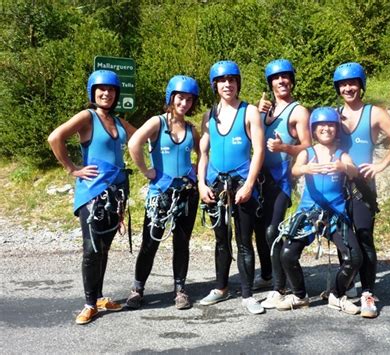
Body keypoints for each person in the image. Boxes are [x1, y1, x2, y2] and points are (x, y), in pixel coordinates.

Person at [48, 70, 136, 325]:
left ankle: (98, 298)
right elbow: (55, 138)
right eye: (101, 89)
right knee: (91, 249)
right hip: (93, 194)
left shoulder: (118, 121)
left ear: (117, 94)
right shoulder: (87, 117)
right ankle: (89, 304)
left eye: (111, 90)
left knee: (104, 247)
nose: (106, 93)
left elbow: (143, 135)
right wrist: (72, 169)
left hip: (116, 193)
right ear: (93, 92)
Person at [333, 62, 390, 318]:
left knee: (364, 237)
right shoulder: (334, 114)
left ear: (361, 85)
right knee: (343, 238)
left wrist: (381, 165)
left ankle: (367, 293)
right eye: (343, 84)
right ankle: (349, 282)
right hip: (337, 187)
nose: (348, 88)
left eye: (352, 83)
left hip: (363, 187)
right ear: (338, 88)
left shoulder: (373, 113)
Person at [276, 107, 362, 314]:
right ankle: (299, 295)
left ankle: (336, 294)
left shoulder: (342, 155)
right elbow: (295, 170)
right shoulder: (308, 152)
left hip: (335, 214)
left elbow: (354, 171)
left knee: (354, 257)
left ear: (336, 129)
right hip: (308, 213)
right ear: (314, 129)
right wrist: (306, 169)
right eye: (321, 125)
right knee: (287, 254)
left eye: (330, 125)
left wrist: (343, 167)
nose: (326, 129)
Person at [125, 75, 200, 310]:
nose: (184, 103)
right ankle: (137, 289)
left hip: (186, 192)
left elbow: (203, 153)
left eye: (189, 99)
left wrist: (198, 171)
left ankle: (180, 290)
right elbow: (134, 143)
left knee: (182, 242)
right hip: (161, 193)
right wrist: (146, 170)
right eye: (180, 98)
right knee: (150, 242)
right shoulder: (157, 123)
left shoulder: (191, 128)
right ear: (171, 98)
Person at [198, 60, 265, 314]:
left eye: (232, 80)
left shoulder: (249, 112)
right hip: (216, 185)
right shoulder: (209, 115)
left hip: (241, 185)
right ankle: (221, 287)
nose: (228, 84)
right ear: (215, 85)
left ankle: (247, 294)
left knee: (244, 241)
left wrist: (249, 185)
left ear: (238, 83)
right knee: (221, 240)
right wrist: (201, 183)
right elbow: (203, 154)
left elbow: (258, 151)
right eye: (222, 81)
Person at [253, 59, 311, 309]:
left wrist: (284, 147)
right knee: (260, 231)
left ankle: (280, 288)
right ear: (270, 83)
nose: (281, 81)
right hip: (259, 179)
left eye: (285, 77)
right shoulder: (264, 110)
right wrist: (257, 113)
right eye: (276, 78)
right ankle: (268, 275)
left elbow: (309, 147)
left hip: (282, 179)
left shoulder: (299, 111)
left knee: (272, 231)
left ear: (291, 80)